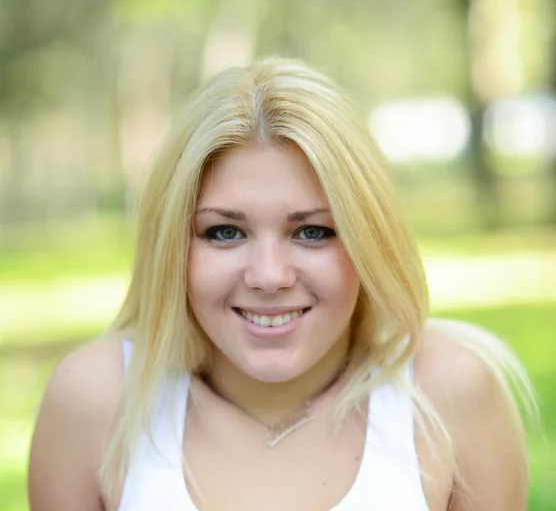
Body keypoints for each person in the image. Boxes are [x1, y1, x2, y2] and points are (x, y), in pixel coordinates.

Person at [28, 58, 536, 511]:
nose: (269, 276)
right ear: (172, 245)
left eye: (313, 232)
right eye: (224, 232)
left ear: (369, 240)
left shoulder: (449, 392)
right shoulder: (95, 400)